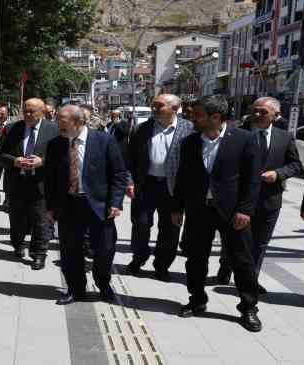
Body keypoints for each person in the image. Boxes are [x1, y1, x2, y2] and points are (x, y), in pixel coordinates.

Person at [171, 95, 262, 332]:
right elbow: (183, 177)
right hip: (198, 210)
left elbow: (252, 180)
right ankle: (197, 300)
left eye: (197, 114)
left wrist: (245, 210)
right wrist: (177, 207)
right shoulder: (189, 142)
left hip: (233, 212)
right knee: (195, 258)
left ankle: (249, 308)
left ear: (216, 117)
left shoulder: (245, 140)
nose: (192, 118)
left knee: (242, 259)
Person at [217, 97, 302, 293]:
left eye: (263, 111)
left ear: (275, 115)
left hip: (268, 199)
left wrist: (278, 174)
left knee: (260, 243)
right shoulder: (236, 134)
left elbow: (295, 164)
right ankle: (226, 267)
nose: (257, 115)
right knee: (232, 237)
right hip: (238, 197)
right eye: (254, 110)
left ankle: (250, 280)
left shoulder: (284, 137)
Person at [45, 105, 128, 304]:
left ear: (79, 122)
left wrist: (116, 202)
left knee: (105, 248)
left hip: (99, 205)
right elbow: (50, 178)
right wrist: (50, 207)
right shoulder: (55, 144)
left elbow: (119, 174)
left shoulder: (104, 140)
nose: (59, 126)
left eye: (63, 123)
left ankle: (103, 283)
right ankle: (76, 289)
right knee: (70, 250)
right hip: (69, 205)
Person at [126, 94, 194, 280]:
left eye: (159, 106)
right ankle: (138, 258)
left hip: (173, 189)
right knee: (140, 225)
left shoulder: (189, 130)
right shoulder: (142, 129)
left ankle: (162, 265)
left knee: (170, 230)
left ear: (175, 108)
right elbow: (129, 159)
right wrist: (129, 182)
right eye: (153, 105)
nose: (154, 109)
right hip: (146, 185)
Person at [0, 98, 59, 270]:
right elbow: (0, 153)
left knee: (41, 221)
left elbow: (62, 156)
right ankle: (18, 244)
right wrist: (14, 161)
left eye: (32, 111)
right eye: (25, 111)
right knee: (17, 219)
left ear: (42, 112)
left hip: (41, 184)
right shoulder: (11, 129)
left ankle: (39, 254)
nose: (28, 114)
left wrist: (43, 161)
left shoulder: (53, 130)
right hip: (17, 183)